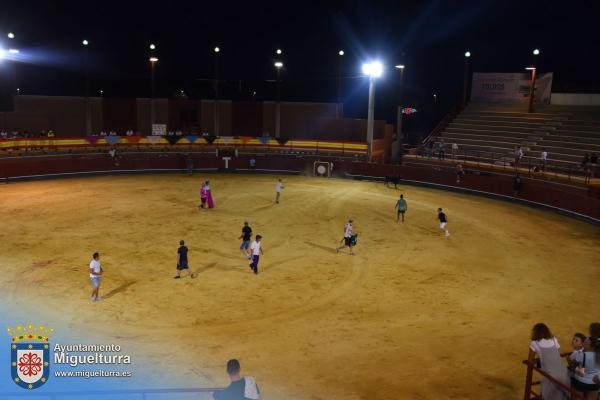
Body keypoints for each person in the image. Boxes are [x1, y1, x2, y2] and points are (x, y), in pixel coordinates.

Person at [528, 323, 570, 400]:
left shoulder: (534, 343)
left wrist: (537, 361)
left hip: (550, 376)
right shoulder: (554, 339)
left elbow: (530, 361)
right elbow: (554, 355)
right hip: (563, 373)